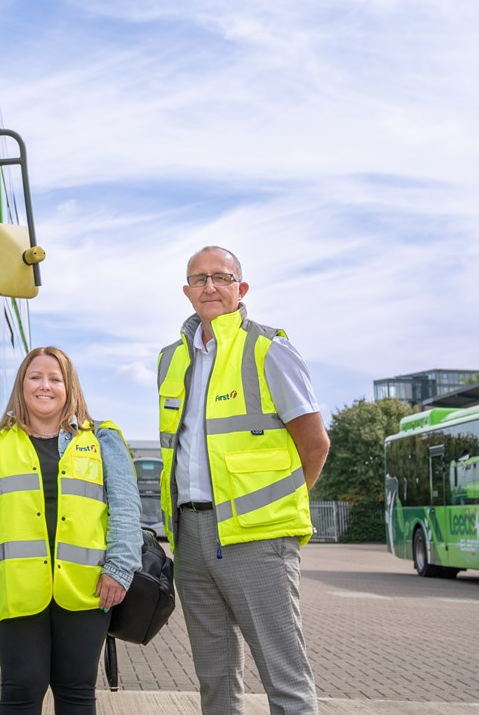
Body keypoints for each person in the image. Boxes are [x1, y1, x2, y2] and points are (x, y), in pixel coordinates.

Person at [157, 245, 330, 715]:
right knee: (214, 677)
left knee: (284, 677)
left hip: (258, 537)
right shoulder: (170, 359)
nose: (209, 287)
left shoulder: (268, 348)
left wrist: (275, 507)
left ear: (241, 287)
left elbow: (315, 444)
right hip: (191, 536)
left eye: (221, 277)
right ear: (187, 291)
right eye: (199, 279)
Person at [0, 346, 142, 715]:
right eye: (35, 377)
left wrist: (120, 567)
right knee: (21, 691)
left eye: (55, 378)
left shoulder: (103, 440)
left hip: (87, 588)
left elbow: (126, 508)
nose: (45, 386)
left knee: (76, 692)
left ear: (70, 387)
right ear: (21, 386)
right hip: (16, 589)